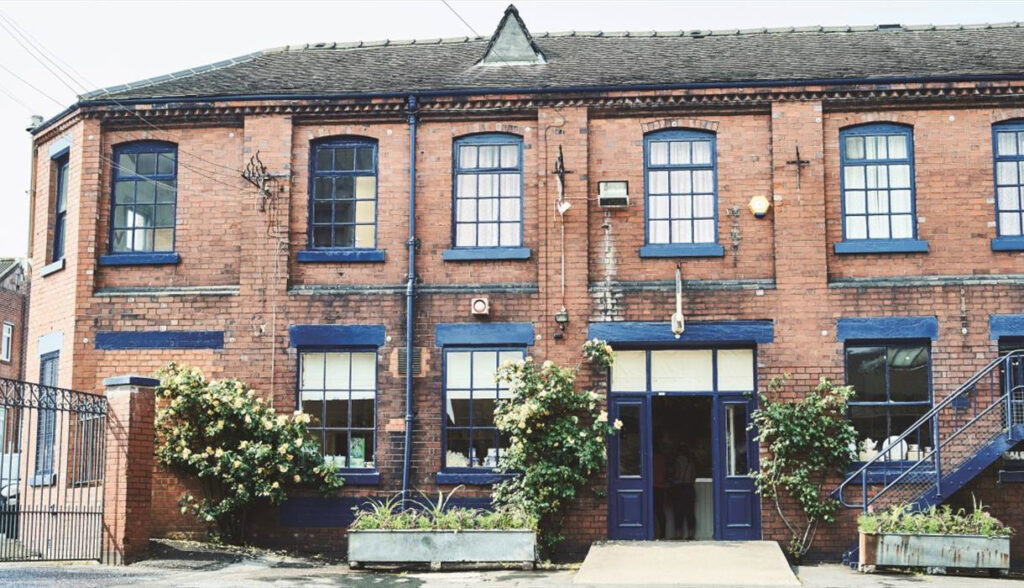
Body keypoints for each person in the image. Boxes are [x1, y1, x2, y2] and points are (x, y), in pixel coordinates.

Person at [670, 442, 697, 540]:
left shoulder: (677, 461)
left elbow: (676, 474)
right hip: (689, 488)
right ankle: (691, 534)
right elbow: (694, 476)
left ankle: (678, 534)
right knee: (690, 512)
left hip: (679, 488)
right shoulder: (691, 461)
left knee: (678, 512)